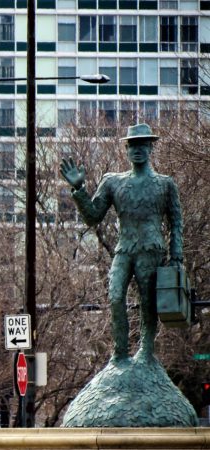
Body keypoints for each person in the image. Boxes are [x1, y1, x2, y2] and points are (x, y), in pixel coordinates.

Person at [60, 123, 183, 361]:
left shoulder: (165, 184)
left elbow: (177, 221)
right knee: (115, 296)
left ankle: (146, 352)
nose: (137, 149)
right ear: (126, 149)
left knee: (148, 302)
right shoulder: (112, 182)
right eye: (133, 145)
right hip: (124, 249)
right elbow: (93, 216)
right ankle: (120, 353)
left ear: (150, 148)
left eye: (142, 145)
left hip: (152, 249)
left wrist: (177, 254)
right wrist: (79, 189)